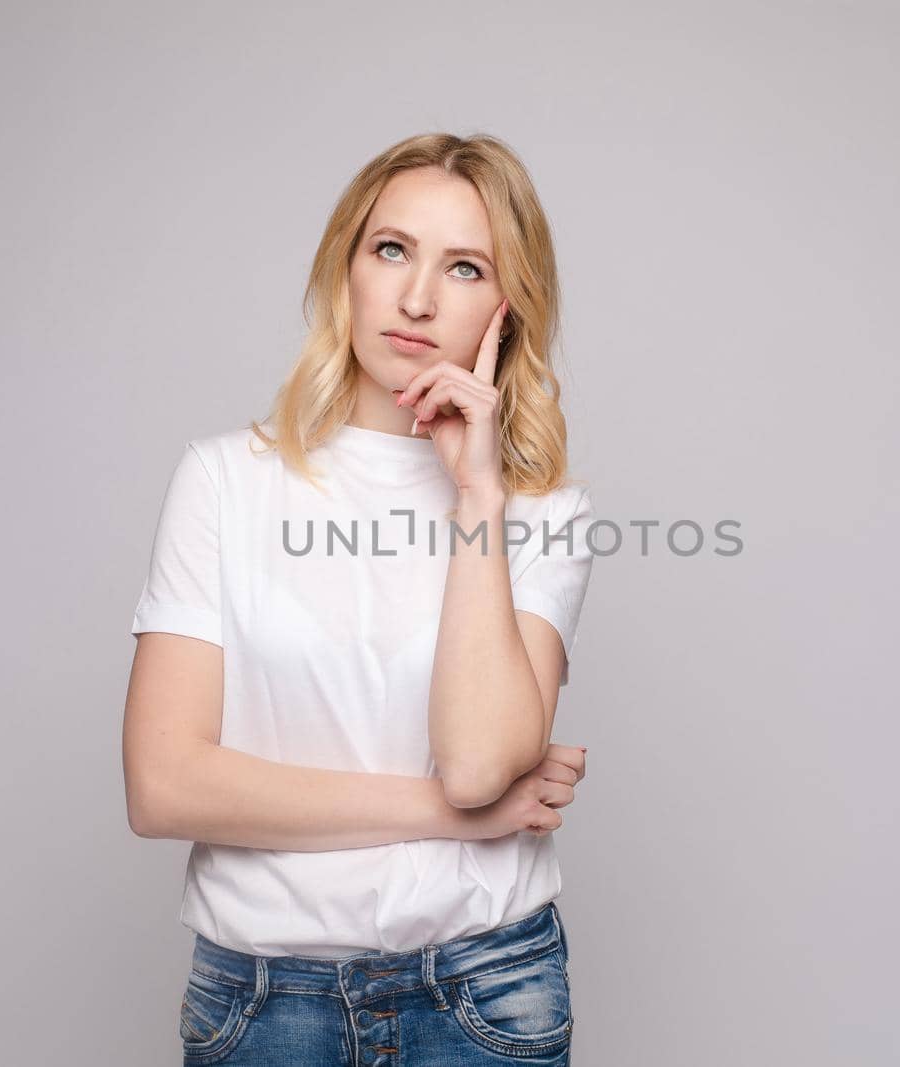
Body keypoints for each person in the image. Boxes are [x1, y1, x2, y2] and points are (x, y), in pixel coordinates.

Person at [123, 132, 599, 1065]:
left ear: (510, 307)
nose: (417, 298)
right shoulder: (225, 480)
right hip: (263, 1002)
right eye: (392, 250)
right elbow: (164, 783)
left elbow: (475, 765)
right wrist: (454, 815)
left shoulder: (540, 514)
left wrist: (477, 499)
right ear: (345, 267)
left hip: (486, 995)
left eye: (464, 267)